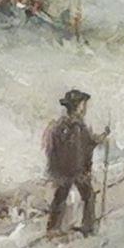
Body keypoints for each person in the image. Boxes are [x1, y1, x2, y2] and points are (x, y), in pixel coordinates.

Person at [44, 88, 101, 237]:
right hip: (76, 169)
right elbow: (84, 146)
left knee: (60, 197)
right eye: (83, 104)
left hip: (65, 170)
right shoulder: (77, 127)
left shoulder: (61, 126)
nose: (85, 108)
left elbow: (87, 143)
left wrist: (100, 138)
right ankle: (88, 226)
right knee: (88, 196)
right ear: (78, 106)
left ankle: (53, 227)